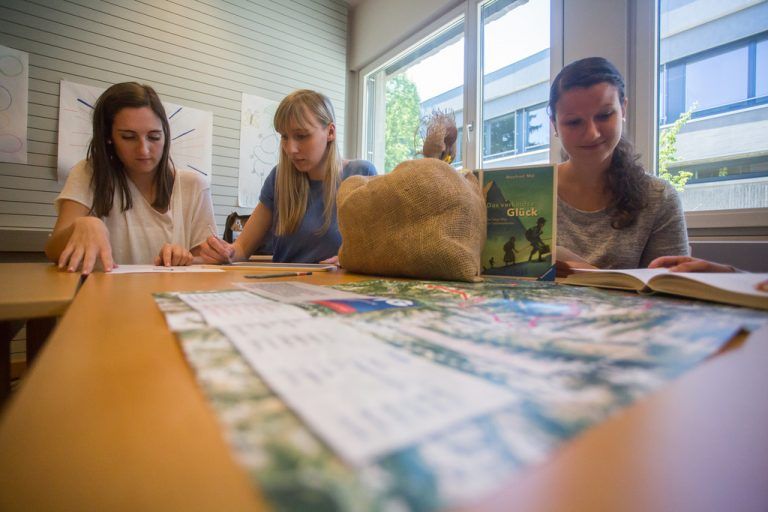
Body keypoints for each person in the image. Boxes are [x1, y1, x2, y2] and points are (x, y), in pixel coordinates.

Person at [45, 82, 215, 274]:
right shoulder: (90, 172)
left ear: (165, 135)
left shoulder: (194, 185)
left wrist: (184, 258)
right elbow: (52, 250)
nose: (144, 150)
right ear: (109, 137)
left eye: (154, 137)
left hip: (171, 291)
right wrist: (82, 226)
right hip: (105, 291)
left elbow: (207, 262)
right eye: (128, 137)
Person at [198, 89, 376, 264]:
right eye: (284, 137)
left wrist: (351, 260)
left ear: (330, 132)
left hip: (341, 283)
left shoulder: (361, 174)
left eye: (302, 136)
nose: (290, 149)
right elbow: (242, 248)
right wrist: (225, 252)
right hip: (285, 282)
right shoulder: (278, 179)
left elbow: (376, 249)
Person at [550, 57, 689, 272]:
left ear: (623, 109)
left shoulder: (659, 197)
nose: (592, 134)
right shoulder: (528, 193)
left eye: (604, 116)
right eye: (574, 122)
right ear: (554, 125)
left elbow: (673, 285)